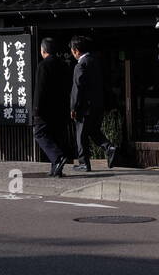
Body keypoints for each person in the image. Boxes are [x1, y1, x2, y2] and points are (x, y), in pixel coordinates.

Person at [69, 36, 117, 172]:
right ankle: (109, 147)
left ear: (76, 51)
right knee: (94, 131)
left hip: (85, 108)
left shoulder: (81, 65)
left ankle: (84, 163)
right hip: (98, 105)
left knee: (81, 135)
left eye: (72, 50)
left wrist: (73, 107)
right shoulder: (96, 62)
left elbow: (77, 88)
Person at [31, 38, 70, 177]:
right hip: (61, 108)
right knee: (55, 136)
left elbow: (40, 89)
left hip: (45, 109)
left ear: (43, 50)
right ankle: (56, 169)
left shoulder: (43, 65)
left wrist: (36, 109)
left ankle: (58, 158)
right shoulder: (64, 65)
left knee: (39, 134)